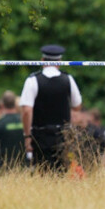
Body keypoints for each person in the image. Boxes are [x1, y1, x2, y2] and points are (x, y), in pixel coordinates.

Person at [20, 44, 82, 172]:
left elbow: (27, 111)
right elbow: (77, 106)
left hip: (39, 135)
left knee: (41, 172)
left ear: (42, 60)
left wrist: (27, 136)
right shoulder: (68, 80)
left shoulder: (33, 80)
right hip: (62, 136)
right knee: (61, 173)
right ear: (59, 62)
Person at [0, 91, 25, 174]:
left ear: (2, 104)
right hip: (23, 166)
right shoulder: (23, 120)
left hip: (4, 167)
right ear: (14, 103)